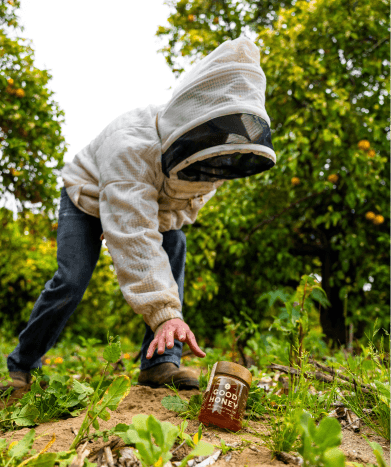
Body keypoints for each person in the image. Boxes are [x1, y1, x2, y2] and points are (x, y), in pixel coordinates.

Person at [1, 36, 276, 394]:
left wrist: (132, 235)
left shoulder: (211, 154)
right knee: (71, 278)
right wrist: (165, 311)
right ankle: (23, 364)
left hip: (147, 209)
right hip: (86, 196)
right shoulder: (130, 146)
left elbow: (170, 215)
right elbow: (132, 233)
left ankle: (160, 363)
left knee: (174, 245)